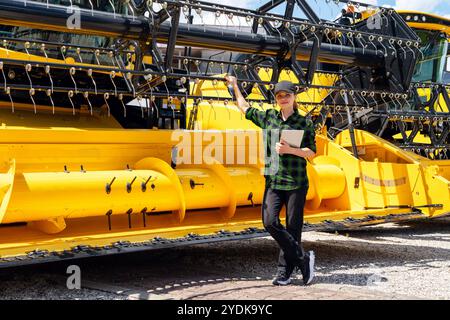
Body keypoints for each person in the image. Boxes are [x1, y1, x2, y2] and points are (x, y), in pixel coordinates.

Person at [225, 76, 316, 286]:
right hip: (274, 179)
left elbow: (311, 153)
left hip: (296, 182)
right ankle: (304, 259)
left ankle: (284, 272)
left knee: (293, 228)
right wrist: (235, 86)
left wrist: (290, 150)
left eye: (287, 95)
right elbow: (245, 108)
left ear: (294, 97)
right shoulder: (269, 118)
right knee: (269, 222)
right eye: (279, 95)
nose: (283, 98)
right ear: (276, 98)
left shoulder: (304, 122)